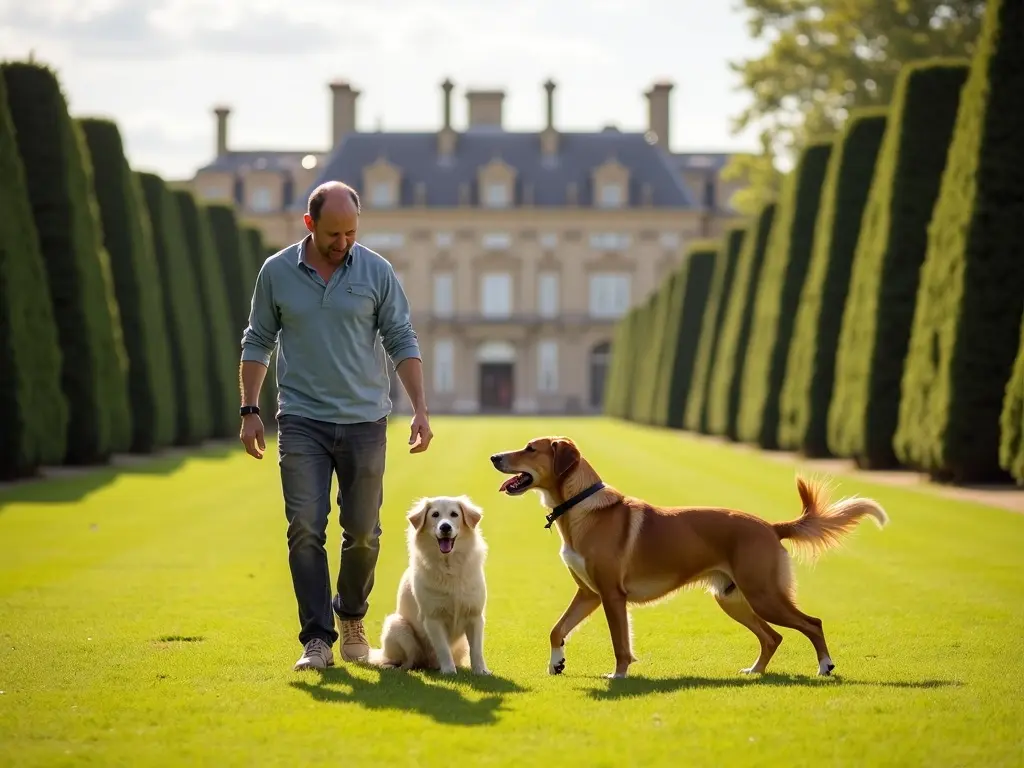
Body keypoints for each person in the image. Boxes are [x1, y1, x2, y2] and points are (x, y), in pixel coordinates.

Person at [238, 180, 433, 671]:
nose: (343, 242)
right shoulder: (277, 272)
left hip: (365, 421)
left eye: (351, 232)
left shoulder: (377, 271)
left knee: (364, 532)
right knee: (305, 528)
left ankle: (350, 615)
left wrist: (421, 410)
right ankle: (317, 639)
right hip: (302, 419)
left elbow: (401, 338)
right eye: (333, 234)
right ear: (310, 224)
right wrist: (249, 410)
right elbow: (258, 340)